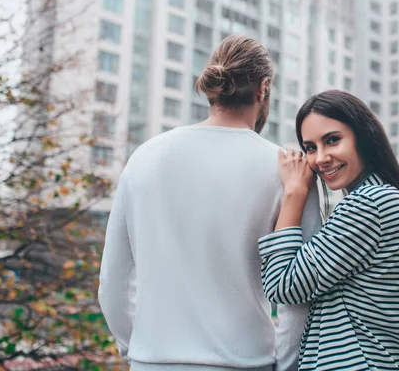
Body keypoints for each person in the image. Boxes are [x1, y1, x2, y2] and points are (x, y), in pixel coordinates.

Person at [98, 35, 322, 371]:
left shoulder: (146, 157)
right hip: (247, 363)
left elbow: (112, 282)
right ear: (263, 89)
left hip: (152, 362)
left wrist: (137, 350)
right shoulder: (290, 171)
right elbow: (299, 296)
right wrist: (286, 366)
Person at [258, 90, 399, 370]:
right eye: (310, 148)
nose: (321, 158)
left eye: (332, 140)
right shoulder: (381, 199)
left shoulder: (372, 203)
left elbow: (283, 285)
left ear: (363, 135)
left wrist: (295, 193)